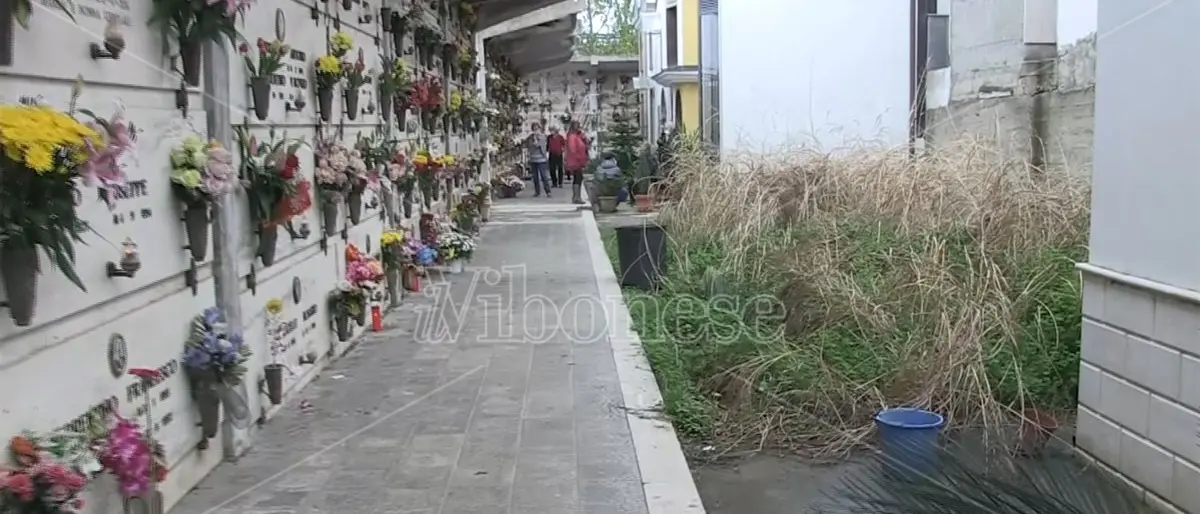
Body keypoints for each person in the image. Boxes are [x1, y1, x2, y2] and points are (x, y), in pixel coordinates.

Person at [565, 122, 590, 204]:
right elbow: (573, 149)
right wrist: (579, 158)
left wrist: (584, 138)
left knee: (578, 178)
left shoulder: (578, 136)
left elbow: (584, 146)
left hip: (578, 160)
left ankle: (576, 196)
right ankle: (576, 197)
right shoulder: (572, 137)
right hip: (575, 161)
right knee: (578, 178)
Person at [524, 122, 550, 197]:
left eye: (537, 129)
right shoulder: (530, 137)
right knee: (535, 177)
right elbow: (528, 145)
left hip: (541, 159)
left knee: (544, 176)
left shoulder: (542, 137)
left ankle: (548, 191)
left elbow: (540, 145)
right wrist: (532, 140)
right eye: (534, 129)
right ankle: (537, 191)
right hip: (533, 159)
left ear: (539, 129)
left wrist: (536, 140)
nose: (535, 130)